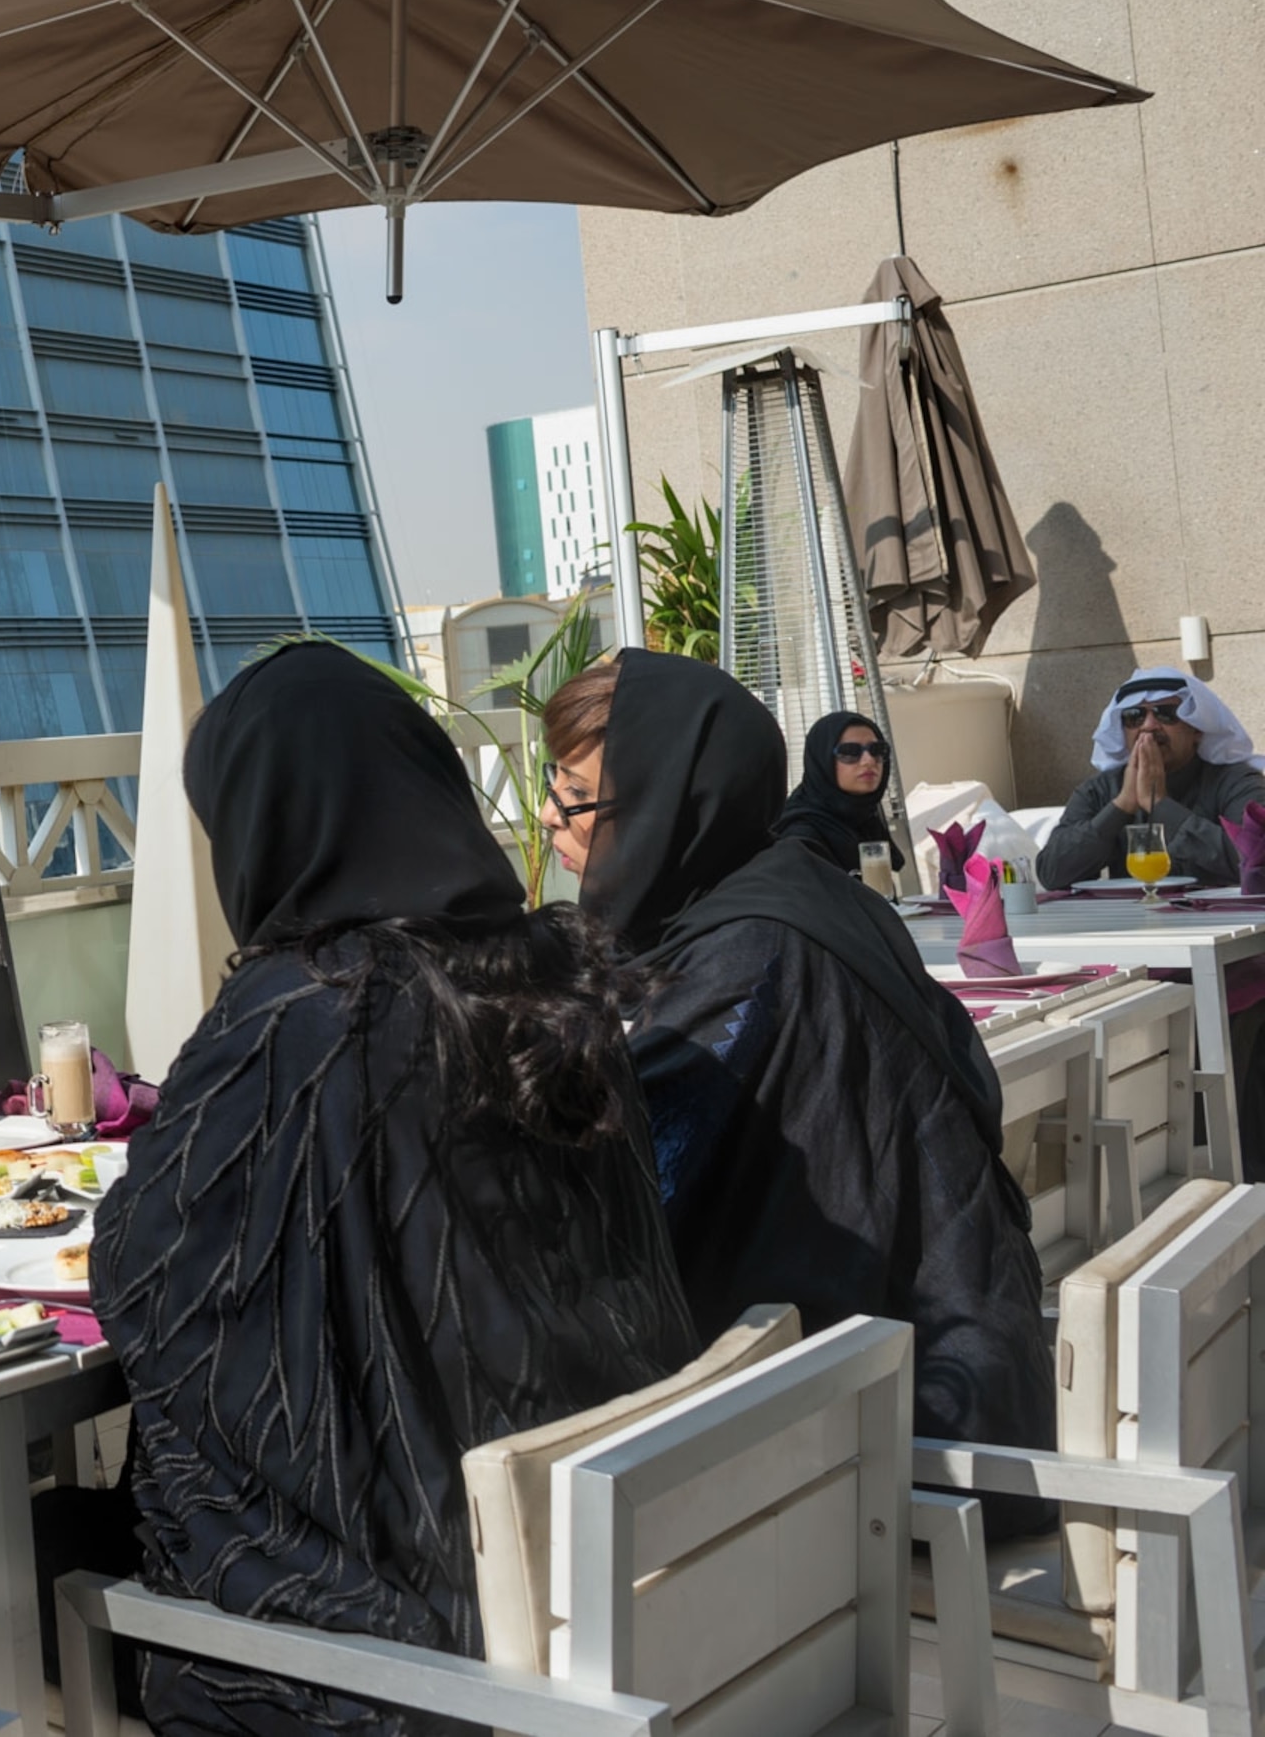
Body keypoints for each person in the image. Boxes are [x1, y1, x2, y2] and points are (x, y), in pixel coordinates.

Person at [93, 643, 697, 1737]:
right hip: (620, 1575)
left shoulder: (304, 1014)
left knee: (61, 1553)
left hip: (425, 1639)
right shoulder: (556, 968)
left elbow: (146, 1267)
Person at [544, 650, 1053, 1459]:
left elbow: (630, 1186)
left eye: (574, 794)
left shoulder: (742, 953)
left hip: (891, 1444)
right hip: (960, 1360)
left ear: (660, 805)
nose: (547, 817)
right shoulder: (801, 893)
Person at [1037, 670, 1265, 890]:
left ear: (1196, 728)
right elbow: (1051, 873)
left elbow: (1255, 863)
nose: (1148, 726)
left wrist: (1161, 806)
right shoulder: (1101, 790)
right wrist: (1120, 806)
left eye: (1165, 714)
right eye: (1134, 716)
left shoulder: (1237, 783)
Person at [773, 710, 904, 878]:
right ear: (822, 761)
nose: (869, 760)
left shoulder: (865, 821)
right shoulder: (800, 838)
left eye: (877, 750)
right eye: (850, 752)